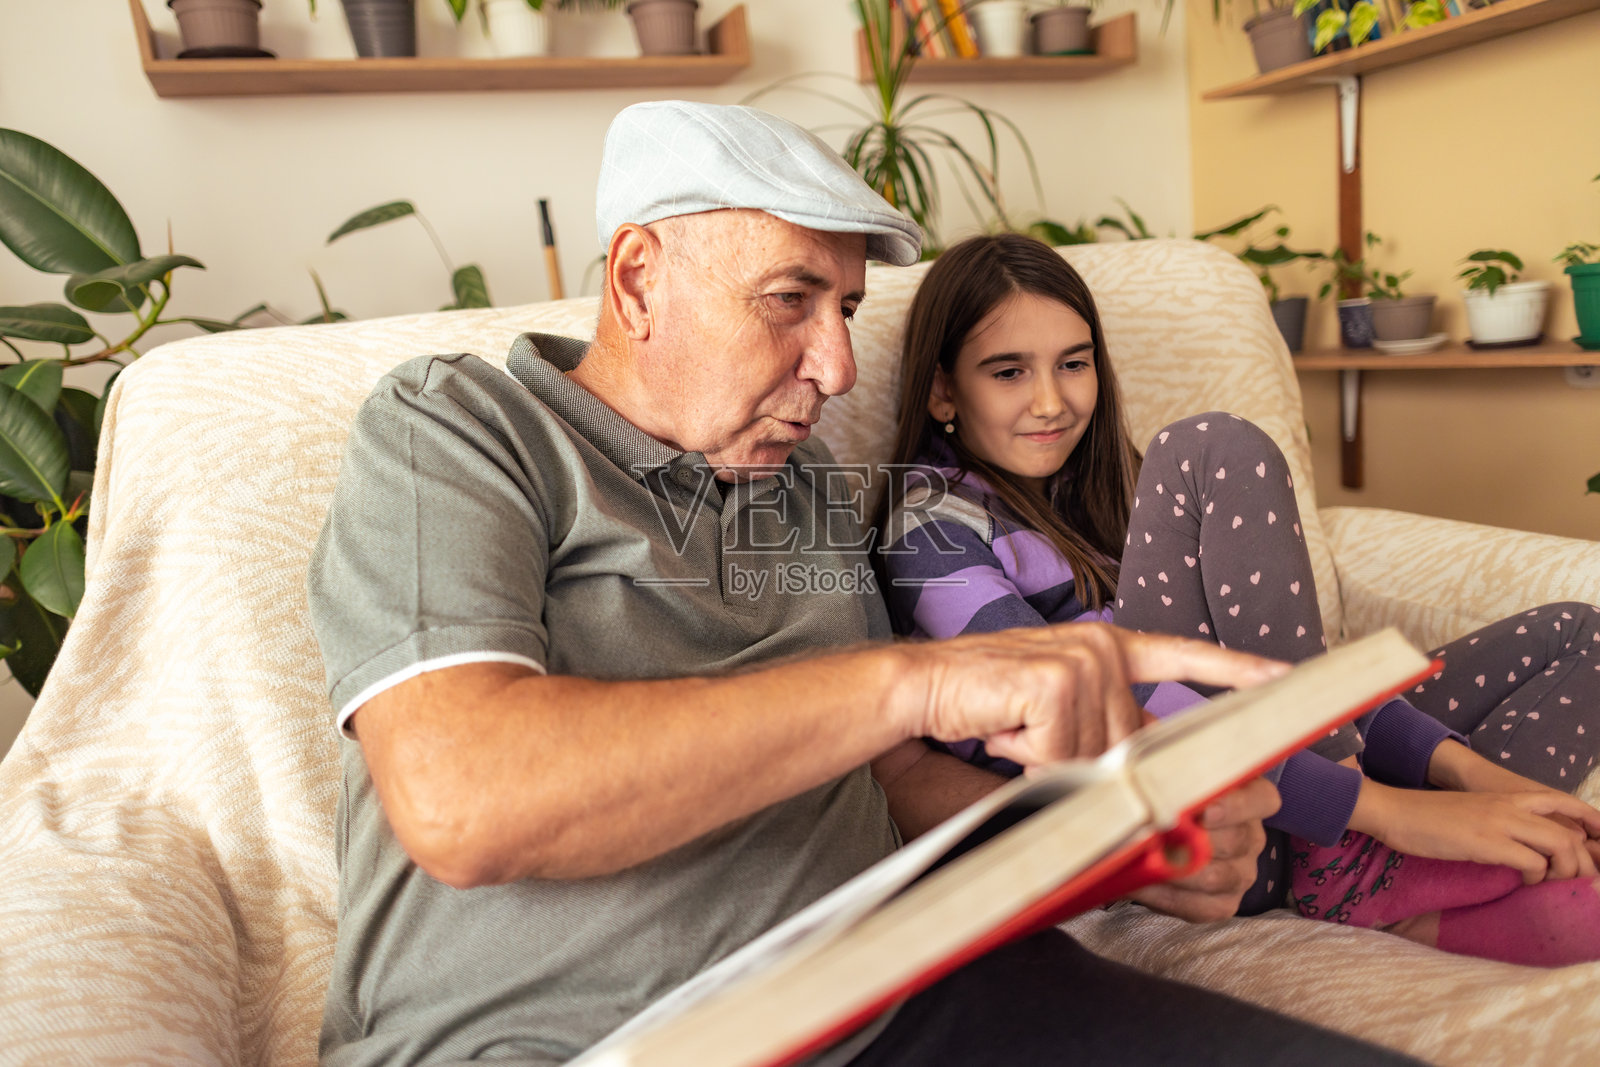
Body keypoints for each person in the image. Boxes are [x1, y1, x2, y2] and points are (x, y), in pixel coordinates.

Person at [305, 102, 1430, 1067]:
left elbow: (890, 775)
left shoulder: (803, 489)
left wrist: (1114, 845)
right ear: (639, 280)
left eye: (842, 309)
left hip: (896, 997)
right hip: (562, 1044)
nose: (838, 366)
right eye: (788, 299)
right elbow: (460, 800)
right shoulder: (459, 430)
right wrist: (916, 682)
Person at [876, 231, 1600, 967]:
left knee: (1580, 637)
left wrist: (1475, 779)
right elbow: (1093, 711)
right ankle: (1347, 857)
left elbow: (1273, 669)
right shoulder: (930, 533)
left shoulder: (1104, 493)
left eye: (1073, 363)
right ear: (943, 390)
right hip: (1202, 824)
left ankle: (1407, 879)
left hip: (1286, 778)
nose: (1050, 401)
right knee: (1211, 447)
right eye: (1008, 371)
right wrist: (1380, 808)